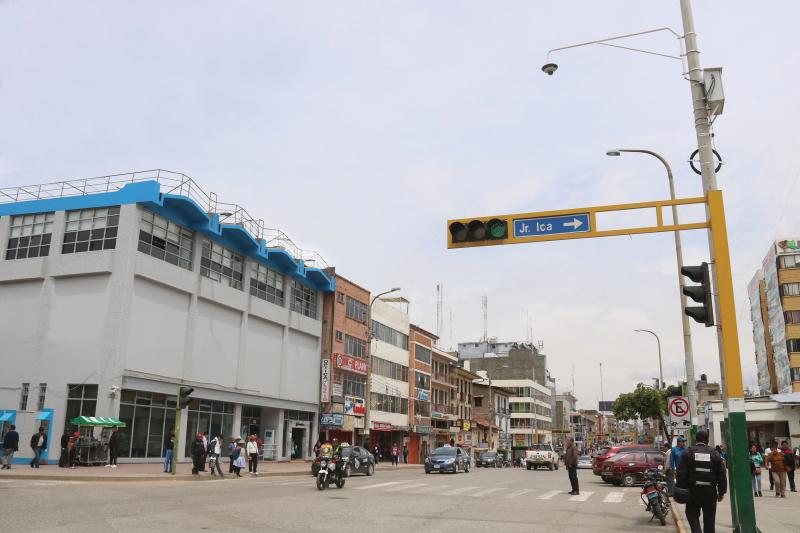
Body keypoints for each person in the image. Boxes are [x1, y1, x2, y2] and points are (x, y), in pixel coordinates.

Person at [676, 430, 727, 533]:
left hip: (693, 492)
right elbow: (722, 475)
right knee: (709, 519)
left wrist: (681, 489)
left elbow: (681, 473)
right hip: (710, 492)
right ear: (707, 440)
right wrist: (721, 492)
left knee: (691, 514)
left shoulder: (688, 452)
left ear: (696, 440)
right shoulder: (715, 454)